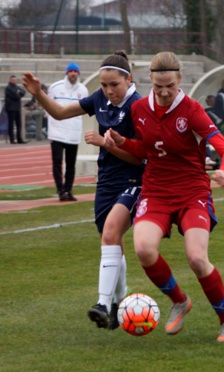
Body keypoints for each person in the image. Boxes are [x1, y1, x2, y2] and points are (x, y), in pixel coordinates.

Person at [104, 51, 224, 342]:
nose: (164, 92)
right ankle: (179, 300)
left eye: (170, 85)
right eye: (158, 86)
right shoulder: (139, 108)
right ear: (150, 82)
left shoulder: (192, 111)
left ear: (179, 80)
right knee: (143, 248)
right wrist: (122, 141)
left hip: (192, 191)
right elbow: (146, 150)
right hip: (155, 191)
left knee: (196, 258)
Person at [23, 51, 144, 331]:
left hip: (135, 179)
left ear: (129, 79)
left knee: (112, 233)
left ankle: (102, 303)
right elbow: (60, 113)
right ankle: (119, 303)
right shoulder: (99, 99)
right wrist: (39, 93)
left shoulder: (139, 106)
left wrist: (107, 144)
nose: (108, 91)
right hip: (107, 180)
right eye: (104, 85)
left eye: (114, 84)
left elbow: (140, 158)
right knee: (110, 239)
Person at [47, 62, 89, 201]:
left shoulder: (83, 90)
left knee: (71, 164)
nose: (73, 74)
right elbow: (48, 105)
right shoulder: (55, 87)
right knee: (57, 162)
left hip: (73, 133)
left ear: (78, 74)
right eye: (70, 71)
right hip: (57, 132)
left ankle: (68, 190)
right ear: (67, 73)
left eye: (75, 71)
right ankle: (60, 190)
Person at [4, 75, 27, 144]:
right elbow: (15, 95)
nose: (14, 81)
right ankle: (12, 139)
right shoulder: (8, 88)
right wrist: (18, 94)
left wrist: (18, 93)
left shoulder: (17, 87)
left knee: (19, 124)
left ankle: (19, 138)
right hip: (11, 108)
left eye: (15, 80)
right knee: (11, 124)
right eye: (13, 80)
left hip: (17, 108)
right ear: (10, 80)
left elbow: (23, 92)